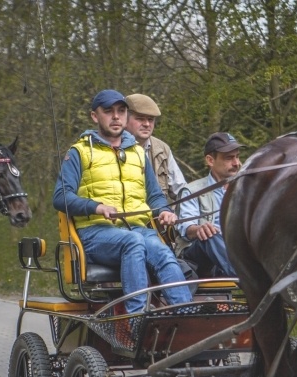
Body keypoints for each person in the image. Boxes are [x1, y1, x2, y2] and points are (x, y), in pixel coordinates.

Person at [52, 89, 192, 314]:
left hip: (138, 229)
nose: (116, 117)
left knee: (164, 252)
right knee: (132, 242)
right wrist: (96, 206)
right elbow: (60, 197)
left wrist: (163, 212)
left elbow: (155, 196)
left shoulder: (138, 153)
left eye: (121, 111)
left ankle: (186, 315)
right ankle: (137, 317)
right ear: (95, 116)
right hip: (95, 233)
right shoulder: (79, 152)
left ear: (126, 116)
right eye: (108, 111)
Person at [175, 132, 242, 278]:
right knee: (210, 233)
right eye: (229, 158)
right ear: (210, 160)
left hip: (235, 252)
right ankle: (246, 277)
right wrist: (200, 229)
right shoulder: (192, 191)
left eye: (237, 156)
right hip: (197, 257)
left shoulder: (245, 190)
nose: (236, 163)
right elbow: (186, 229)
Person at [124, 93, 187, 200]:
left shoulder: (162, 149)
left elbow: (181, 191)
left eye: (151, 119)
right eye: (140, 119)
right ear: (124, 120)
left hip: (159, 215)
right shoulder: (112, 147)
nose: (147, 124)